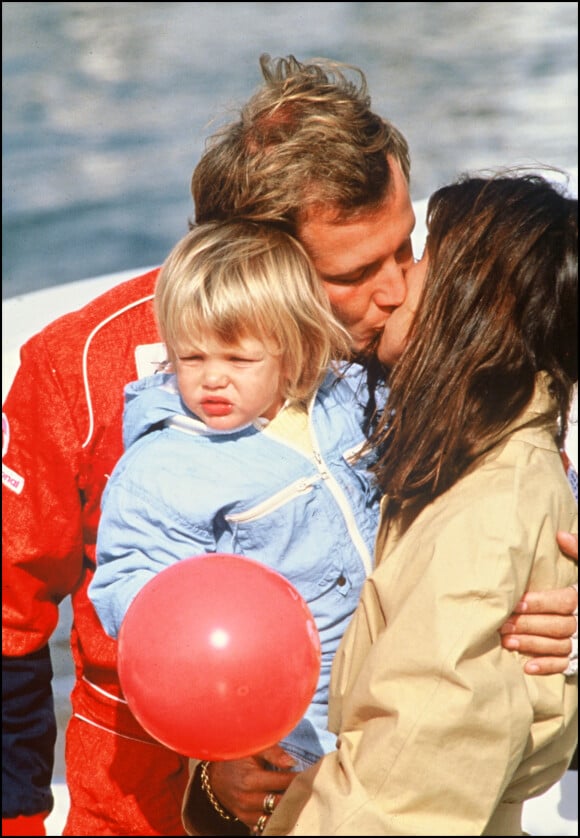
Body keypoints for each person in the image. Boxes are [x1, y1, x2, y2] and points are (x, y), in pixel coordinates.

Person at [2, 54, 577, 837]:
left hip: (348, 787)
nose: (401, 289)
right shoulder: (79, 366)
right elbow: (10, 622)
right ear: (259, 262)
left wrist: (565, 610)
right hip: (140, 805)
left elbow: (530, 514)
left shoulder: (411, 354)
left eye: (405, 247)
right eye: (358, 270)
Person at [240, 171, 577, 836]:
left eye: (420, 257)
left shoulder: (485, 510)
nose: (397, 287)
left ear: (469, 298)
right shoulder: (473, 464)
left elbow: (407, 790)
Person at [88, 217, 383, 775]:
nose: (212, 379)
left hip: (394, 681)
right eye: (191, 358)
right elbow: (133, 577)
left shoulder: (346, 402)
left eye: (239, 360)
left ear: (294, 351)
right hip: (295, 722)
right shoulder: (164, 469)